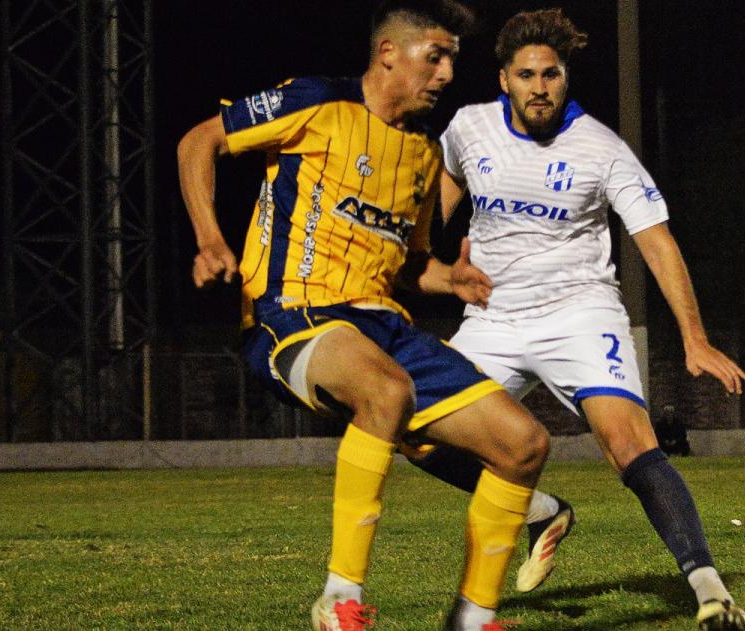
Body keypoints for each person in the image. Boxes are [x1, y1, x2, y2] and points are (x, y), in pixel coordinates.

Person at [176, 3, 551, 630]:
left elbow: (413, 265)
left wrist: (450, 280)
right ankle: (340, 600)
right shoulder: (319, 101)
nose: (447, 73)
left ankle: (474, 617)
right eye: (435, 55)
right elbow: (199, 141)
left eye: (453, 59)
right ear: (387, 53)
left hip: (386, 325)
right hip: (293, 311)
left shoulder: (423, 155)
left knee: (522, 444)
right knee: (385, 391)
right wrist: (211, 240)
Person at [407, 8, 745, 630]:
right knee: (415, 428)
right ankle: (541, 510)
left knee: (629, 445)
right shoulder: (468, 128)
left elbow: (656, 241)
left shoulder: (601, 148)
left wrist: (694, 338)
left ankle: (711, 592)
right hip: (492, 315)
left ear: (564, 78)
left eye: (551, 74)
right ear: (504, 81)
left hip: (579, 312)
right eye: (526, 75)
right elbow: (430, 213)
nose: (539, 86)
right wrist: (419, 265)